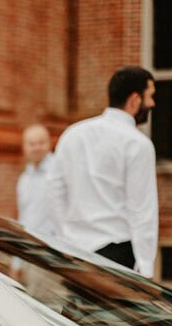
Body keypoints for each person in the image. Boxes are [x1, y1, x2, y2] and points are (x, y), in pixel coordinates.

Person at [46, 66, 159, 277]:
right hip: (117, 254)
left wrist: (65, 237)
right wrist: (145, 267)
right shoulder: (138, 144)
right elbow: (142, 210)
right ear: (135, 99)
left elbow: (53, 192)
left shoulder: (73, 134)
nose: (153, 104)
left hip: (74, 252)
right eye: (150, 96)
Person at [16, 123, 56, 236]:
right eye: (31, 144)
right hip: (29, 241)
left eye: (41, 143)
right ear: (24, 147)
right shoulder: (24, 179)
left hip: (54, 242)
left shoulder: (58, 172)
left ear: (49, 143)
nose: (36, 148)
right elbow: (23, 214)